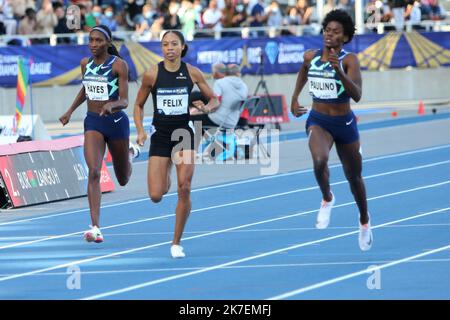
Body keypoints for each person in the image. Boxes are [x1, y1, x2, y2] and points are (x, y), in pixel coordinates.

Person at [290, 10, 373, 251]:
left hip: (345, 123)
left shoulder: (349, 60)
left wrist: (338, 71)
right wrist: (294, 98)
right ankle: (327, 198)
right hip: (319, 120)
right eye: (327, 30)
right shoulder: (310, 57)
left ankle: (364, 220)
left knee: (354, 177)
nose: (329, 34)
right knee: (319, 160)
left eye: (336, 32)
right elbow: (303, 73)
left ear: (345, 37)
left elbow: (356, 95)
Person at [133, 30, 218, 258]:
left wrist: (205, 108)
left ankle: (176, 242)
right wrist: (141, 130)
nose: (169, 48)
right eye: (164, 45)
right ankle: (167, 169)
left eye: (173, 44)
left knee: (185, 187)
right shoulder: (152, 74)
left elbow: (214, 100)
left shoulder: (192, 73)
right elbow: (138, 105)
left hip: (184, 134)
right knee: (156, 195)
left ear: (182, 47)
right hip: (160, 135)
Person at [59, 25, 139, 244]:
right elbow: (86, 89)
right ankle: (95, 227)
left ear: (108, 42)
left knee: (123, 178)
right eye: (90, 40)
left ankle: (129, 154)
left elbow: (124, 100)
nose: (93, 44)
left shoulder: (118, 65)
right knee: (94, 171)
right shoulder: (86, 64)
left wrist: (111, 106)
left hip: (115, 123)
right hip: (93, 122)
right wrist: (69, 111)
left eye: (98, 41)